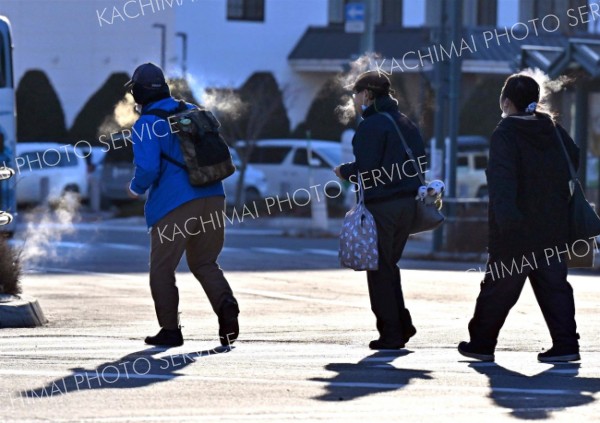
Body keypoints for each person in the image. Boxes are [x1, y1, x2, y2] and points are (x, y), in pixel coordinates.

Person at [458, 73, 581, 363]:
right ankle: (566, 345)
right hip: (552, 224)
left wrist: (506, 225)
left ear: (507, 101)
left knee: (498, 289)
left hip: (516, 228)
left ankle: (481, 344)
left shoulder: (506, 132)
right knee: (555, 287)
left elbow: (502, 182)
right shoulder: (552, 128)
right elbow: (573, 157)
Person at [125, 62, 239, 347]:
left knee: (162, 270)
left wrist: (135, 188)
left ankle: (170, 330)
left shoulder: (147, 124)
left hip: (176, 204)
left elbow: (149, 168)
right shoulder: (189, 109)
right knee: (204, 262)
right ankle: (225, 304)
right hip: (213, 196)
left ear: (139, 93)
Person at [334, 71, 426, 350]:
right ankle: (401, 324)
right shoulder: (405, 122)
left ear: (368, 95)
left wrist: (344, 171)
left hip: (383, 206)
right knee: (388, 265)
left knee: (379, 270)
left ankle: (391, 333)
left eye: (356, 94)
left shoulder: (372, 125)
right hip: (407, 205)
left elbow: (367, 169)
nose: (354, 100)